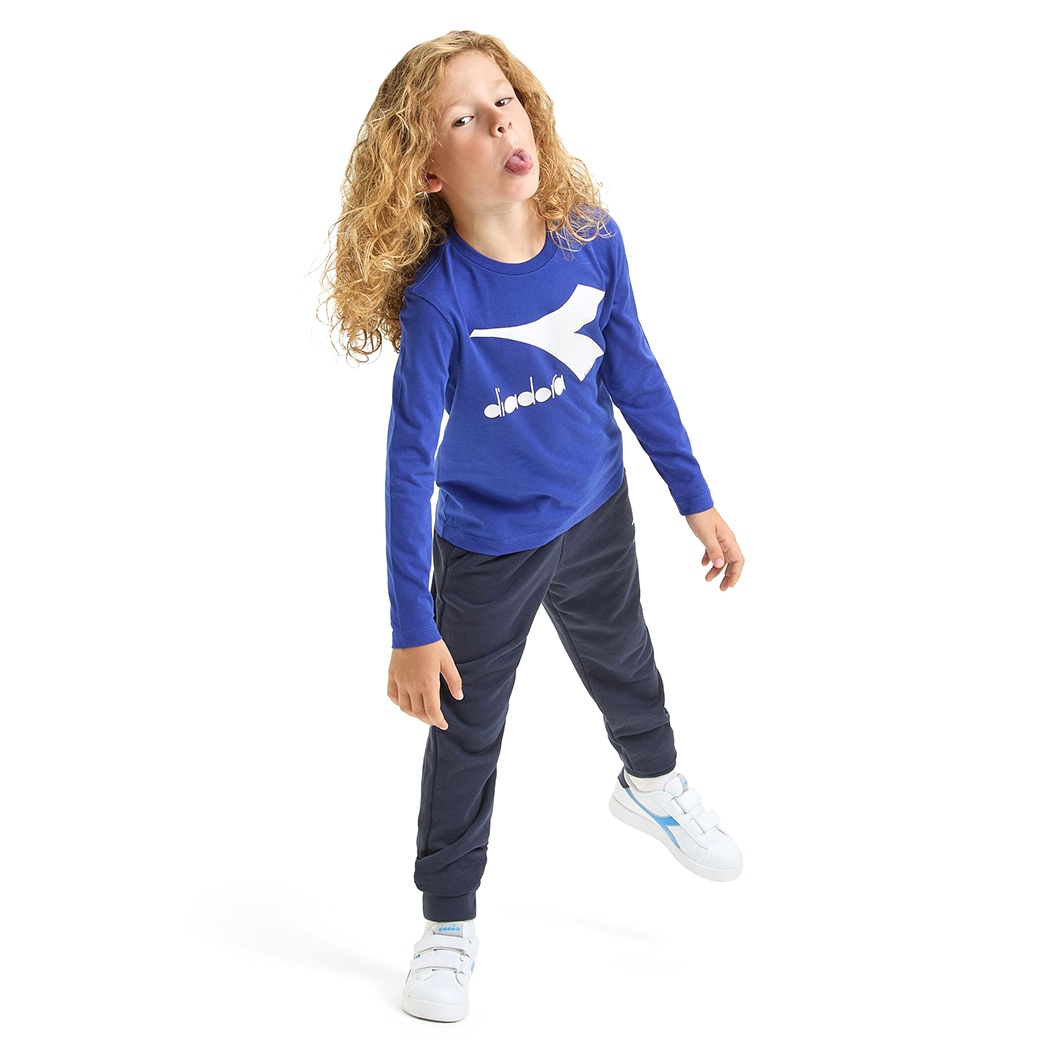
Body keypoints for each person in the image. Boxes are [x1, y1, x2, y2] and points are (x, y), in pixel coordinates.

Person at [320, 29, 745, 1023]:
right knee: (467, 732)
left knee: (626, 660)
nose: (500, 123)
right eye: (465, 118)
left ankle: (653, 784)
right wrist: (411, 626)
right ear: (427, 172)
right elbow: (406, 467)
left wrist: (695, 497)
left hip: (595, 507)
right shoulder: (443, 302)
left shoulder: (592, 237)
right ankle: (447, 923)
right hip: (487, 546)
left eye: (504, 99)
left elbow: (635, 371)